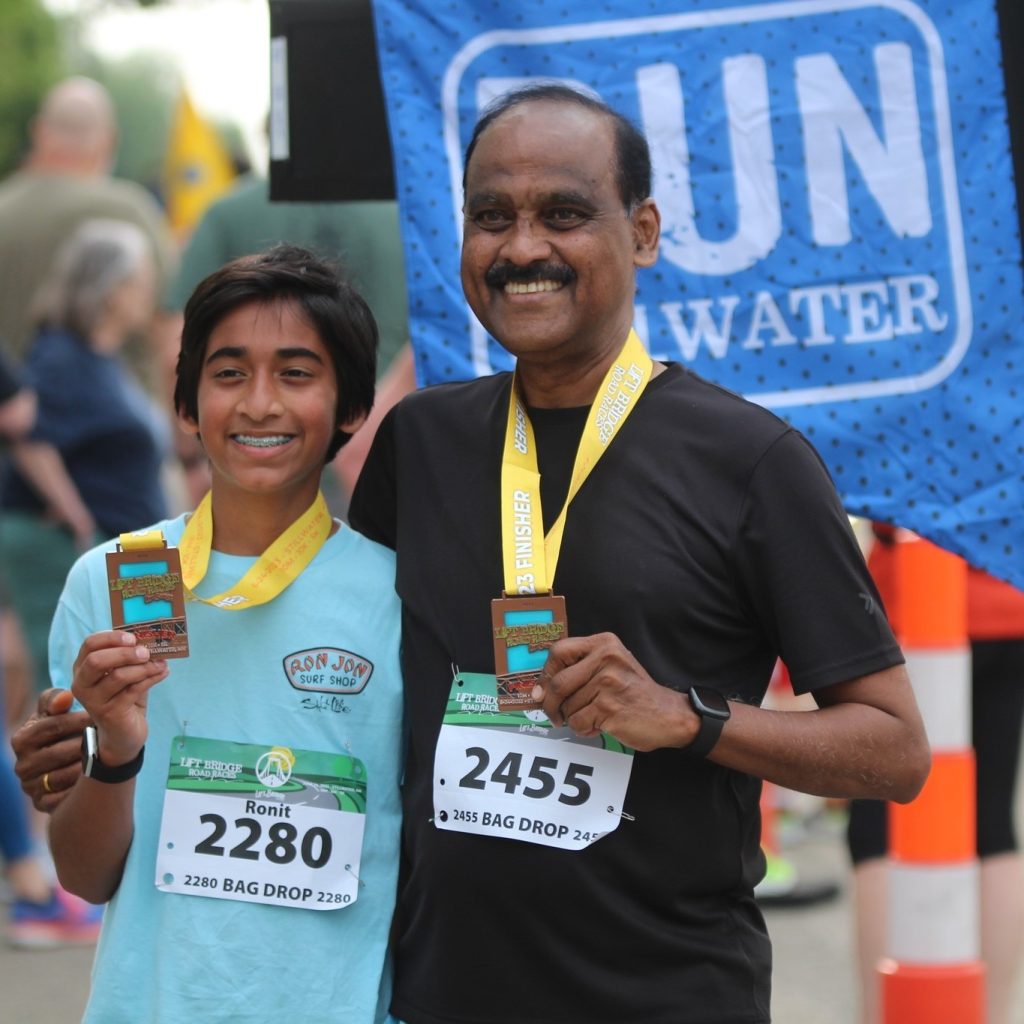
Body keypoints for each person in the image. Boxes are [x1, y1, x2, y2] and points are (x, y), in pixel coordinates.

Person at [14, 85, 930, 1023]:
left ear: (644, 232)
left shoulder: (751, 462)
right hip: (437, 994)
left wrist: (685, 718)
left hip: (661, 993)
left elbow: (896, 751)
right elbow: (327, 675)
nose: (523, 247)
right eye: (492, 216)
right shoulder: (424, 443)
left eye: (564, 214)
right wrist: (108, 760)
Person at [42, 245, 402, 1022]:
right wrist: (118, 751)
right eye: (229, 373)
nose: (259, 404)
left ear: (350, 406)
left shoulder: (401, 597)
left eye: (297, 373)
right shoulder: (108, 583)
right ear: (186, 399)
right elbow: (83, 874)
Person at [847, 524, 1024, 1024]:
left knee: (877, 827)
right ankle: (988, 1013)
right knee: (992, 826)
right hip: (1007, 596)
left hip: (914, 608)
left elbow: (885, 509)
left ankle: (888, 1012)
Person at [160, 165, 416, 504]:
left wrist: (191, 458)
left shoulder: (228, 211)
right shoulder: (411, 216)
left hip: (245, 467)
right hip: (380, 460)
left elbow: (172, 350)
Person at [0, 219, 171, 703]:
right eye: (141, 279)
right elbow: (27, 433)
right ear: (113, 289)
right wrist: (70, 507)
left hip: (138, 547)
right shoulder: (61, 355)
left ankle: (140, 772)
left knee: (156, 671)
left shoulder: (103, 357)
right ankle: (64, 777)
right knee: (67, 682)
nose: (149, 291)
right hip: (92, 541)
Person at [0, 358, 102, 948]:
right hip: (61, 542)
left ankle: (33, 877)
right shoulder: (58, 357)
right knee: (50, 703)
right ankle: (35, 883)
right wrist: (76, 511)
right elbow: (21, 422)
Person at [0, 76, 176, 366]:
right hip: (114, 406)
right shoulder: (131, 210)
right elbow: (169, 324)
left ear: (38, 131)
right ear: (110, 139)